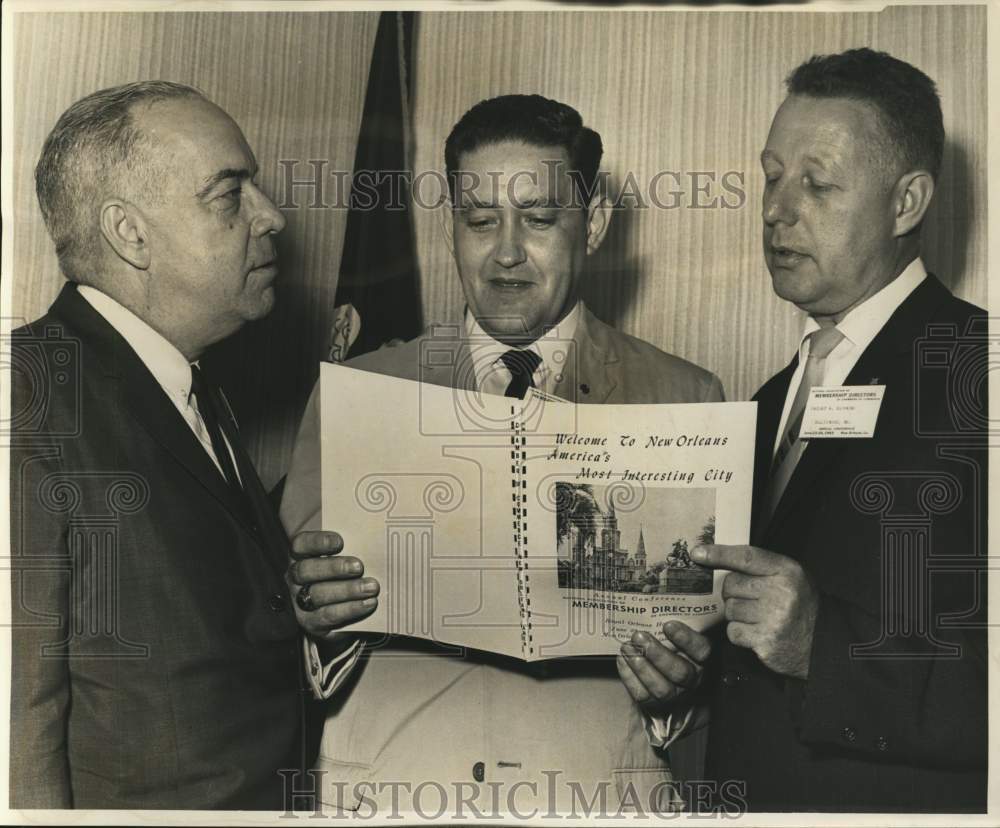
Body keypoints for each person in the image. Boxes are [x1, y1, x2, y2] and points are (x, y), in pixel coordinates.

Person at [280, 94, 723, 815]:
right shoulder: (358, 392)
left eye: (540, 220)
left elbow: (705, 658)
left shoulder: (687, 397)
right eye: (480, 220)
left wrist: (677, 685)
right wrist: (317, 622)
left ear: (595, 225)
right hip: (388, 794)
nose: (507, 251)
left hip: (593, 798)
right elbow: (287, 632)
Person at [626, 48, 988, 812]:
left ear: (907, 203)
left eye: (818, 184)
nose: (775, 210)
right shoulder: (762, 405)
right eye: (771, 176)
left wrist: (821, 644)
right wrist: (688, 674)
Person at [9, 82, 374, 809]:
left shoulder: (190, 384)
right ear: (130, 233)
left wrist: (295, 613)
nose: (270, 217)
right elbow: (15, 739)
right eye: (229, 194)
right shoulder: (27, 400)